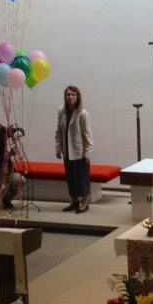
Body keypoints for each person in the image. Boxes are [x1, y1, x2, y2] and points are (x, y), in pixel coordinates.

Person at [55, 85, 93, 213]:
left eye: (73, 94)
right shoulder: (61, 111)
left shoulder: (82, 113)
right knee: (71, 178)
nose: (70, 97)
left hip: (79, 151)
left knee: (82, 177)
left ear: (77, 97)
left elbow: (87, 134)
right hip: (67, 150)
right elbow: (58, 131)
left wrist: (87, 152)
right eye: (68, 94)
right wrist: (58, 148)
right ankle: (74, 200)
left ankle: (85, 200)